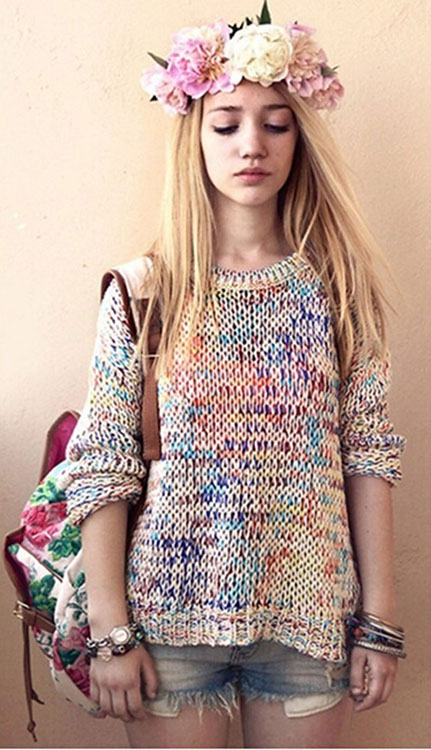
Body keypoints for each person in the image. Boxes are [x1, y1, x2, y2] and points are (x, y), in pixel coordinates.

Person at [59, 3, 407, 748]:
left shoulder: (340, 291)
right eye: (225, 125)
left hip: (310, 623)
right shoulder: (146, 292)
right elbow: (103, 466)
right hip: (166, 628)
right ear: (195, 138)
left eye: (276, 124)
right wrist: (111, 632)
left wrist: (378, 621)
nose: (252, 145)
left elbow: (369, 455)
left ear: (299, 139)